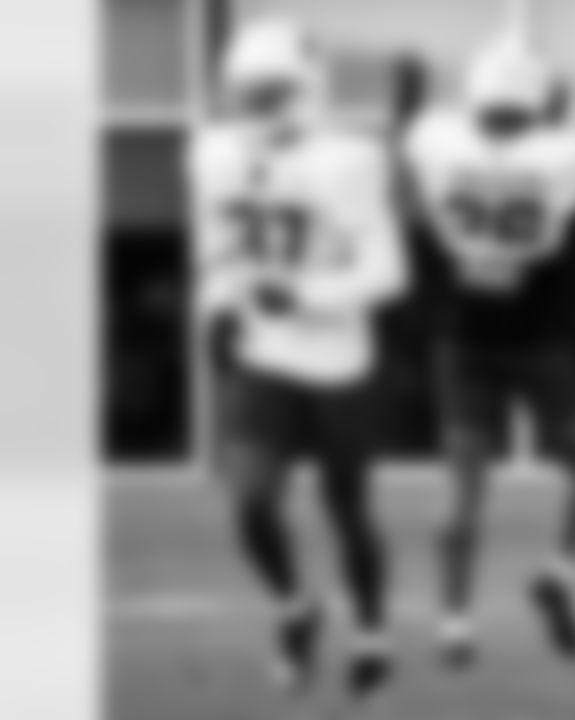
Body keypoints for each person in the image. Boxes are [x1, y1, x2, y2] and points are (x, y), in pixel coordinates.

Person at [188, 18, 407, 697]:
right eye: (248, 93)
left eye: (271, 91)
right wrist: (216, 303)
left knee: (348, 508)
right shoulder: (214, 154)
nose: (257, 106)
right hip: (264, 353)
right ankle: (295, 609)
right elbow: (220, 249)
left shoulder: (347, 159)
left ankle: (371, 631)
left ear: (307, 88)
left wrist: (306, 296)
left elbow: (389, 273)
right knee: (251, 502)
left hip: (340, 360)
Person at [401, 33, 575, 667]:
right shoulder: (566, 153)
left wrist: (409, 99)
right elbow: (561, 137)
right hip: (540, 337)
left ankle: (454, 626)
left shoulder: (436, 142)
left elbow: (416, 139)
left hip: (464, 336)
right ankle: (559, 573)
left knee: (463, 487)